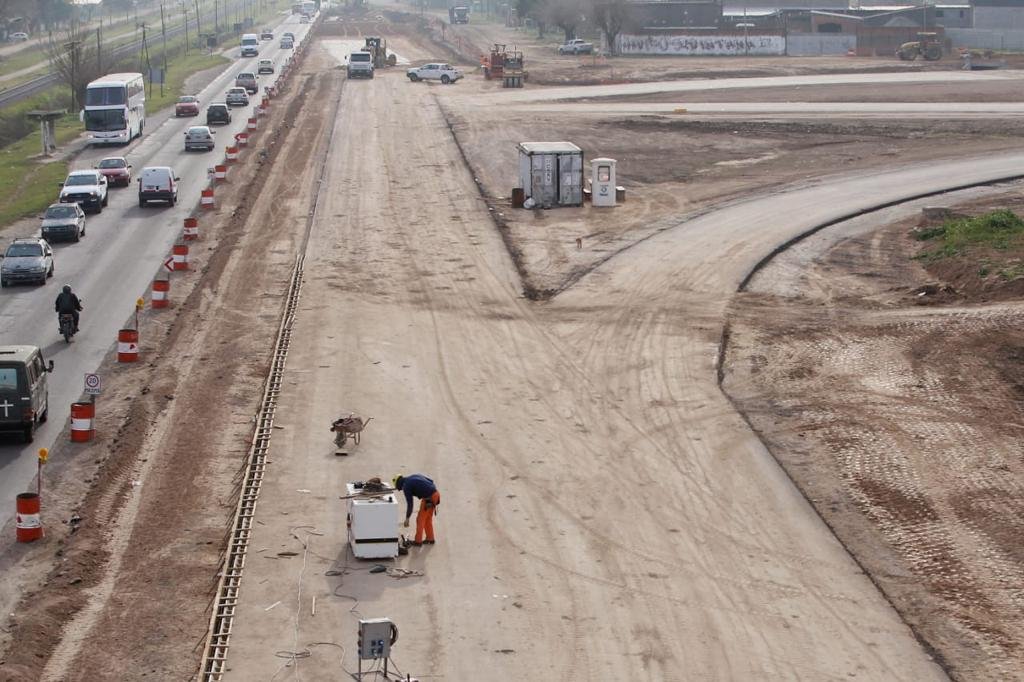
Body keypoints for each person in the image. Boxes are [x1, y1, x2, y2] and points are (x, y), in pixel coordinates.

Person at [393, 474, 440, 546]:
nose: (401, 489)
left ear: (399, 484)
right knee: (427, 519)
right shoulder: (413, 476)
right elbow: (431, 481)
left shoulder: (406, 486)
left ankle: (418, 541)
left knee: (420, 519)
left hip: (429, 498)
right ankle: (430, 538)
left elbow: (410, 504)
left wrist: (407, 518)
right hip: (436, 494)